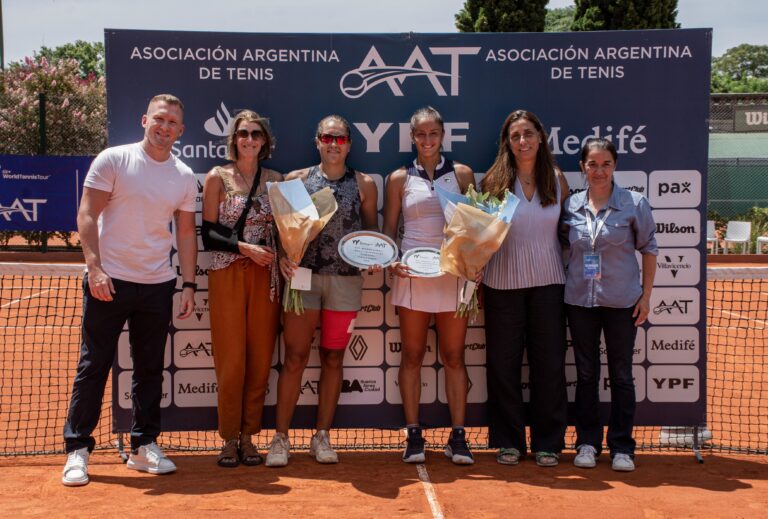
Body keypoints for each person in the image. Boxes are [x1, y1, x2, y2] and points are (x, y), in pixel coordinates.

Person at [62, 94, 197, 486]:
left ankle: (143, 446)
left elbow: (186, 234)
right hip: (110, 281)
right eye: (159, 119)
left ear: (181, 130)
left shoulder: (184, 175)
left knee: (150, 370)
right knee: (94, 366)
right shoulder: (114, 159)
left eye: (173, 122)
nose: (165, 127)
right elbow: (87, 214)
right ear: (144, 120)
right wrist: (96, 268)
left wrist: (188, 283)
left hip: (157, 284)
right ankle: (77, 449)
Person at [266, 115, 379, 467]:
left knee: (333, 358)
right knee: (296, 358)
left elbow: (371, 232)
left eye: (340, 138)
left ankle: (322, 437)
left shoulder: (364, 183)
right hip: (303, 279)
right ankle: (280, 439)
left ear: (348, 143)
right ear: (317, 141)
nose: (333, 144)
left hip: (345, 281)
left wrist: (375, 254)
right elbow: (281, 231)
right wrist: (285, 258)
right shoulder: (296, 179)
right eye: (327, 137)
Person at [382, 106, 476, 465]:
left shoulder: (463, 174)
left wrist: (473, 264)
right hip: (412, 276)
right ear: (412, 138)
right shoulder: (398, 178)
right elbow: (390, 230)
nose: (427, 140)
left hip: (453, 277)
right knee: (412, 356)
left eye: (432, 133)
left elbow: (475, 229)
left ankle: (458, 437)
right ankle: (414, 434)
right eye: (420, 134)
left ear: (442, 135)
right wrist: (392, 259)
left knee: (454, 356)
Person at [560, 138, 657, 472]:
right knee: (586, 374)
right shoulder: (570, 205)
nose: (598, 171)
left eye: (605, 164)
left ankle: (622, 447)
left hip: (621, 302)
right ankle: (587, 442)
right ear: (582, 167)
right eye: (592, 164)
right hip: (579, 301)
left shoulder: (634, 203)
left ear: (614, 166)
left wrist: (645, 296)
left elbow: (649, 249)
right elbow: (563, 248)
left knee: (621, 375)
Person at [480, 109, 570, 467]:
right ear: (508, 142)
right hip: (502, 285)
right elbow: (480, 237)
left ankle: (548, 442)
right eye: (515, 136)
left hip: (549, 284)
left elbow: (569, 235)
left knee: (549, 365)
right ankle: (509, 442)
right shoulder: (493, 181)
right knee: (503, 366)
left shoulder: (557, 180)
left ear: (540, 137)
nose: (522, 141)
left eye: (528, 134)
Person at [201, 110, 282, 467]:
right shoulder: (217, 177)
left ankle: (250, 437)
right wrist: (244, 248)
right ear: (233, 139)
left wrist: (287, 255)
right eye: (243, 133)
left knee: (260, 358)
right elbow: (209, 234)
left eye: (256, 134)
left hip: (266, 277)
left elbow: (287, 229)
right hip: (227, 272)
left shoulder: (276, 180)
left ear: (265, 141)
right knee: (232, 358)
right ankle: (228, 438)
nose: (249, 139)